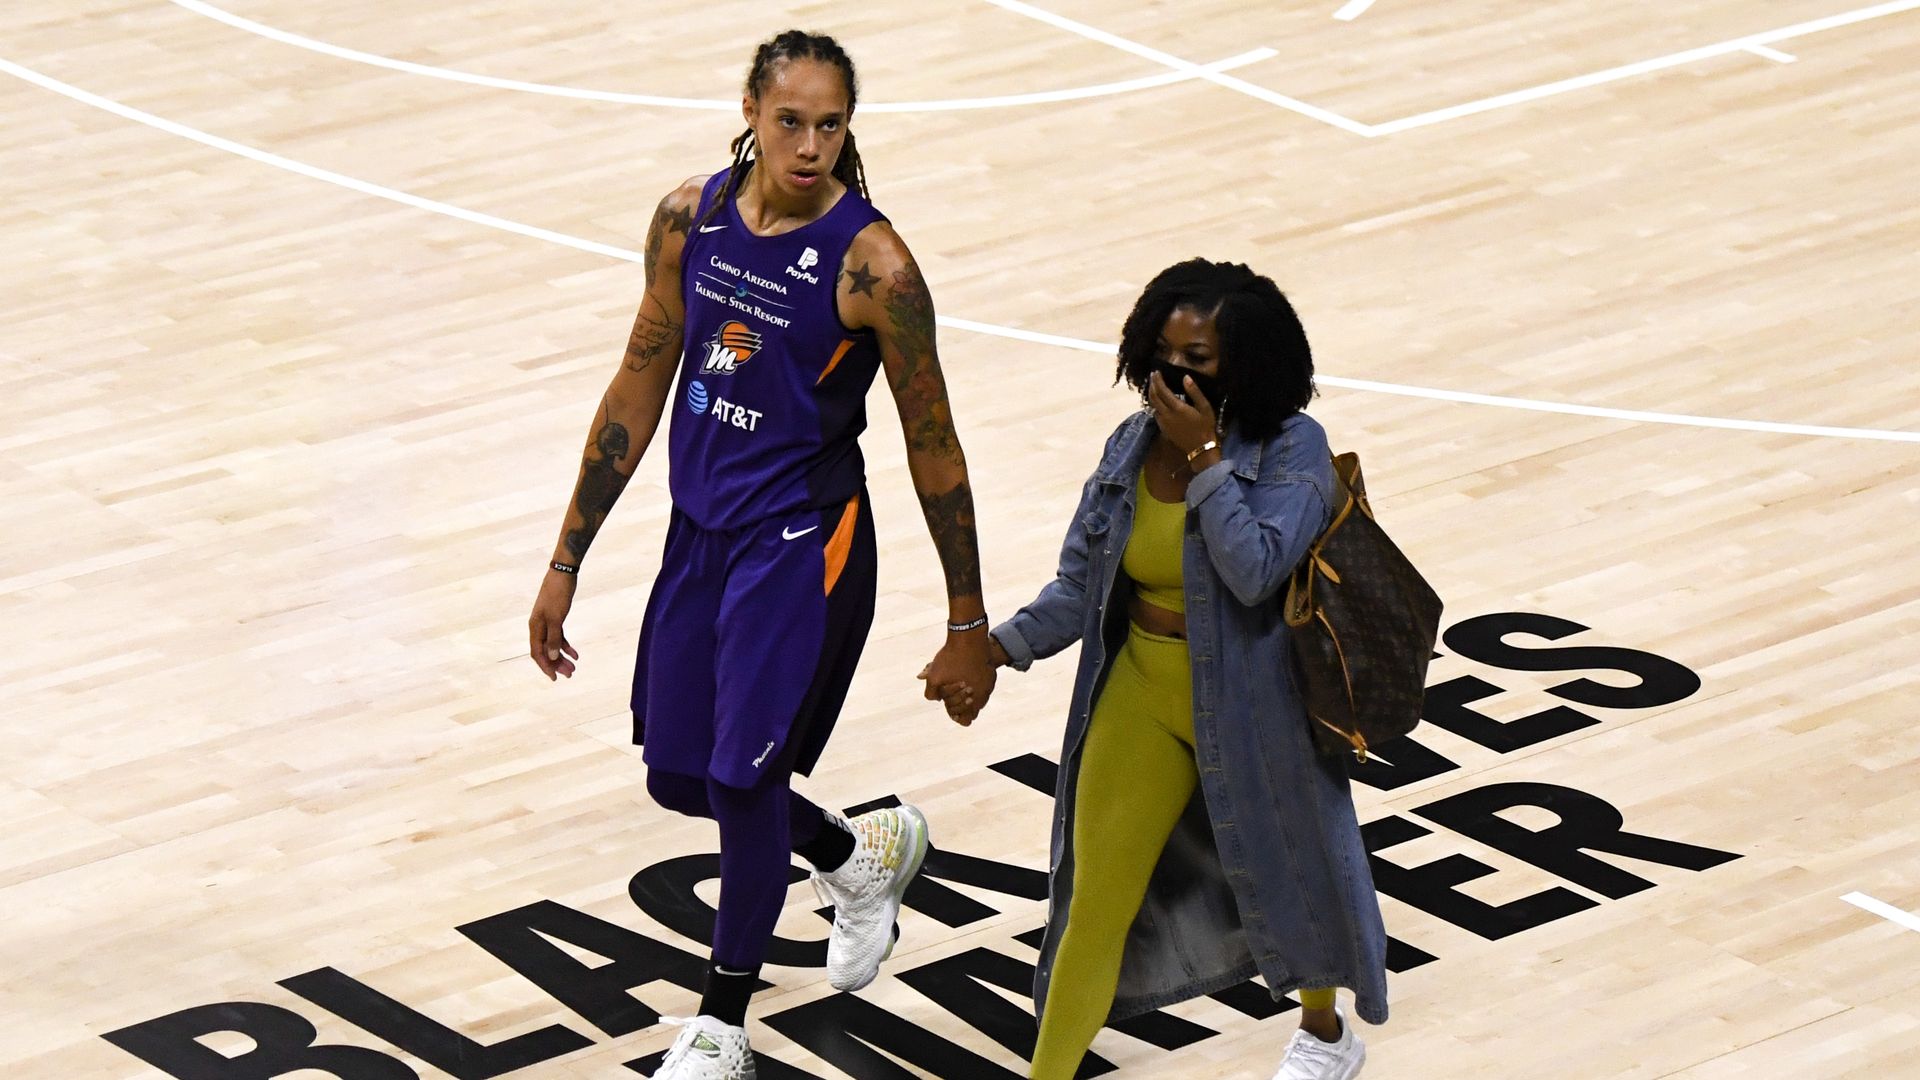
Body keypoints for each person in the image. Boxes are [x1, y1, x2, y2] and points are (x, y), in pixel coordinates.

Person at [526, 29, 995, 1080]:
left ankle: (722, 1028)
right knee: (680, 780)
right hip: (702, 536)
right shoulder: (688, 221)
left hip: (802, 547)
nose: (811, 145)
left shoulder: (876, 265)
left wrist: (967, 622)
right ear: (749, 108)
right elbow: (637, 385)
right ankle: (857, 855)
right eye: (791, 121)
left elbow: (935, 443)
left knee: (744, 782)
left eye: (832, 125)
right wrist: (566, 561)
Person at [937, 259, 1388, 1080]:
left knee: (1293, 876)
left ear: (1247, 364)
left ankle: (1325, 1034)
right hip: (1142, 691)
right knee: (1090, 910)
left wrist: (1208, 457)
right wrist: (995, 648)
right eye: (1163, 354)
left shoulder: (1296, 452)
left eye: (1198, 360)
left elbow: (1255, 570)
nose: (1171, 376)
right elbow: (1080, 588)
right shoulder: (1128, 447)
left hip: (1260, 702)